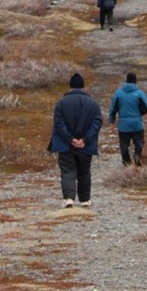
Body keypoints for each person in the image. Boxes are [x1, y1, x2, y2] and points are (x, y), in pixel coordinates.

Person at [47, 72, 103, 208]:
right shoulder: (93, 104)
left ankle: (69, 198)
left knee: (68, 171)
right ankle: (84, 200)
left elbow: (59, 124)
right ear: (83, 86)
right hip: (86, 146)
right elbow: (97, 123)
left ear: (70, 86)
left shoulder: (61, 103)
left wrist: (70, 139)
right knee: (84, 171)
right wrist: (85, 140)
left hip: (65, 145)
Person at [108, 72, 147, 167]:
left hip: (123, 125)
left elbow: (113, 109)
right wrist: (139, 115)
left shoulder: (118, 93)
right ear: (136, 82)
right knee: (139, 143)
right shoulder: (140, 93)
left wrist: (112, 120)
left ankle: (126, 162)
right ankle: (137, 158)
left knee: (124, 145)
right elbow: (146, 108)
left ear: (126, 81)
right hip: (137, 124)